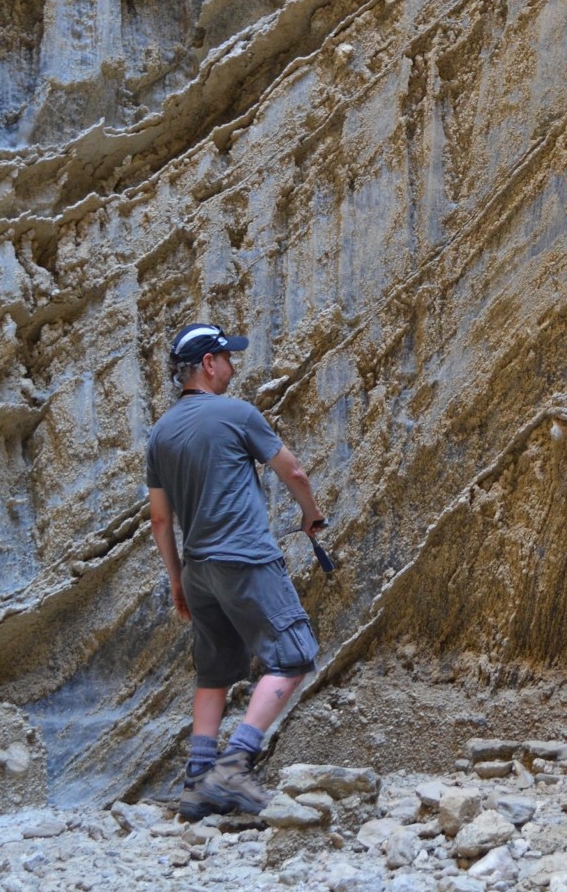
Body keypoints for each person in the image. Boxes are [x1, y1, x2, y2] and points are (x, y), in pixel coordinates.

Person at [146, 323, 327, 819]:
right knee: (292, 655)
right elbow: (293, 471)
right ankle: (234, 765)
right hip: (245, 557)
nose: (232, 367)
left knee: (216, 670)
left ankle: (197, 782)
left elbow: (161, 519)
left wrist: (178, 578)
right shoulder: (236, 414)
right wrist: (310, 513)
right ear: (209, 363)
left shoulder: (160, 433)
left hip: (199, 568)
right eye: (228, 358)